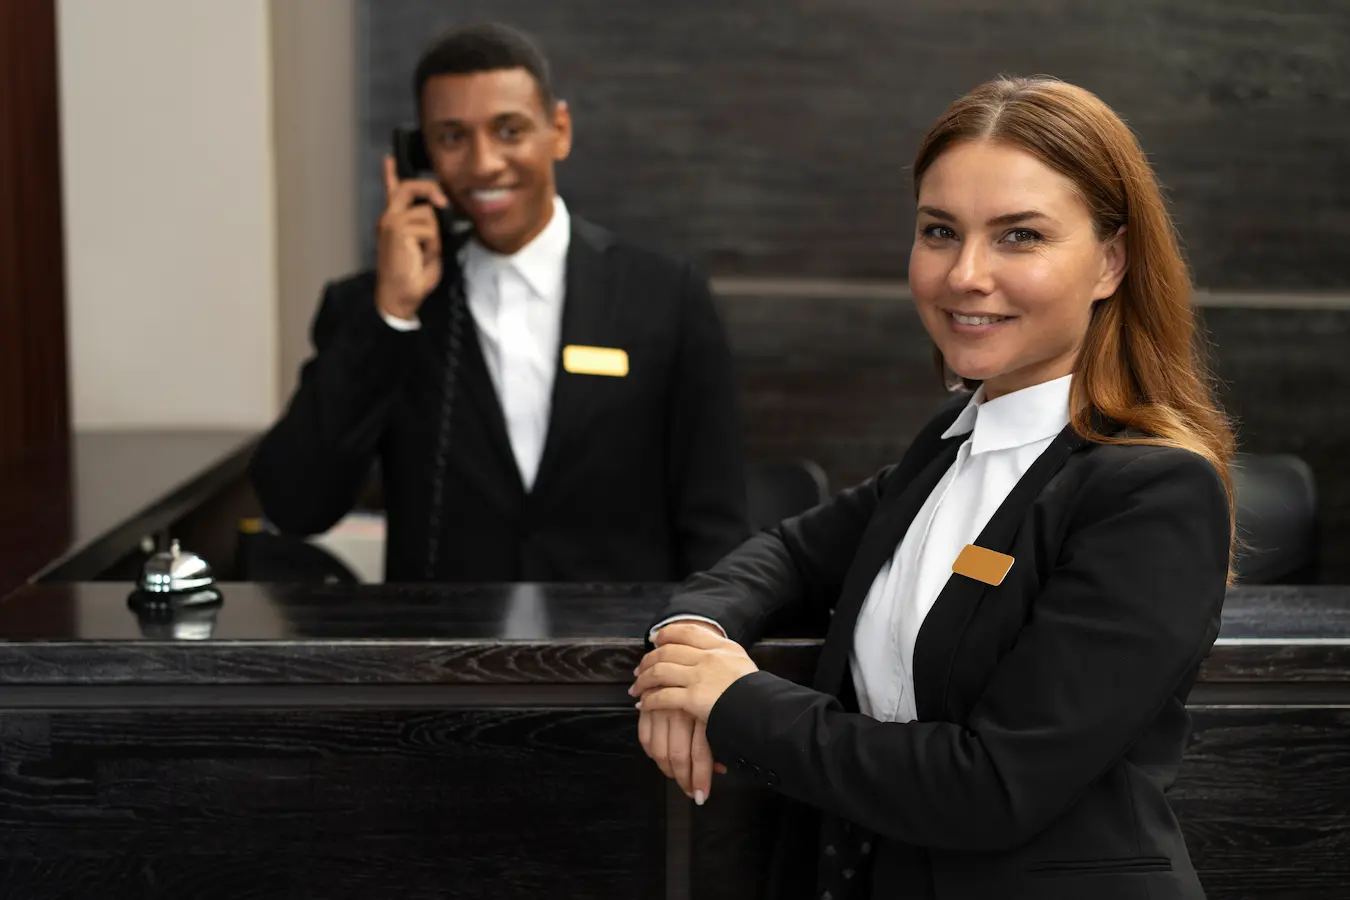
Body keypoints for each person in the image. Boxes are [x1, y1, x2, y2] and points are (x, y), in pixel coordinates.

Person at [631, 75, 1236, 900]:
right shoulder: (950, 446)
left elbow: (991, 787)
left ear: (1111, 261)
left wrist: (733, 700)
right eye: (940, 231)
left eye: (1019, 236)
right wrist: (690, 637)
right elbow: (782, 553)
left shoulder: (1154, 492)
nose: (965, 274)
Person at [251, 22, 748, 583]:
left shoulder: (665, 296)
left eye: (509, 130)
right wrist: (389, 316)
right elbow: (294, 503)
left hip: (617, 654)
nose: (484, 163)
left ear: (558, 130)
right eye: (453, 137)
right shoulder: (368, 307)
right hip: (441, 655)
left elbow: (715, 522)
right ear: (420, 154)